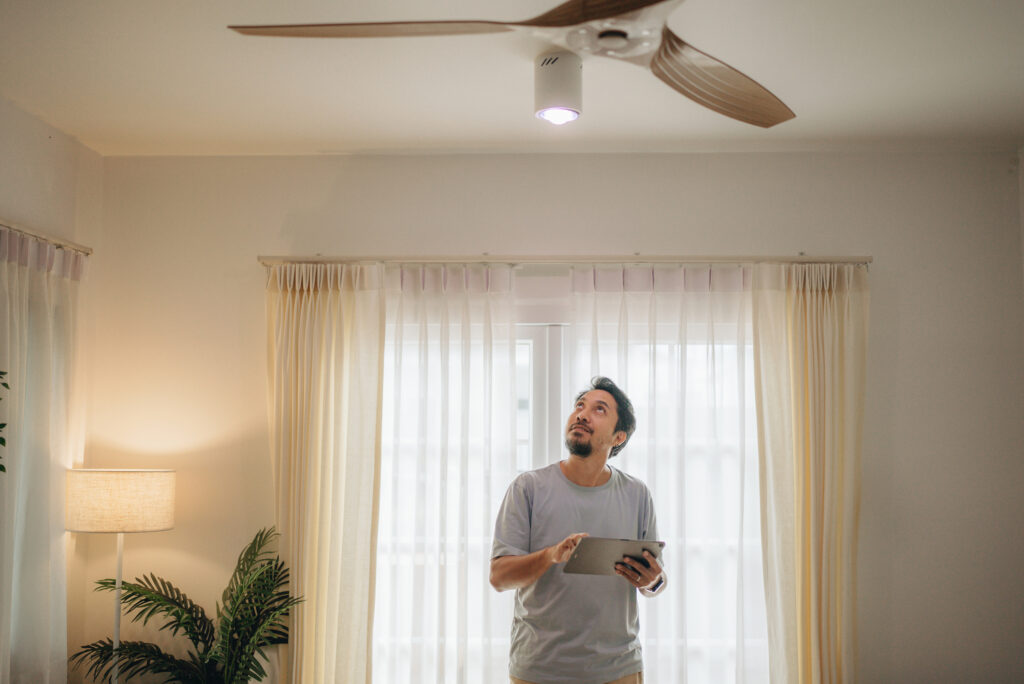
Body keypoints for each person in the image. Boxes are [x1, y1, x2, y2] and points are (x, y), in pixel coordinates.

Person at [490, 376, 666, 684]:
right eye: (579, 406)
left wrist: (653, 581)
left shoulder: (637, 494)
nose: (582, 414)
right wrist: (551, 555)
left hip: (618, 669)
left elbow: (656, 582)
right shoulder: (527, 488)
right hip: (539, 669)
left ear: (619, 436)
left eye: (599, 409)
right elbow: (500, 578)